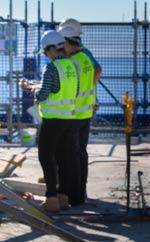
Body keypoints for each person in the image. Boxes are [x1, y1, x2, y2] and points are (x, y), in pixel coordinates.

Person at [21, 30, 80, 212]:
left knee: (46, 157)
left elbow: (44, 93)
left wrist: (31, 90)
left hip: (52, 120)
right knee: (64, 159)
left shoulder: (51, 68)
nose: (46, 56)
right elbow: (71, 91)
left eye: (46, 52)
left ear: (53, 49)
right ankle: (63, 197)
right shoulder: (71, 66)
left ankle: (51, 198)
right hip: (68, 118)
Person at [58, 25, 100, 206]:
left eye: (61, 45)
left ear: (66, 42)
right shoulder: (84, 58)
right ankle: (80, 193)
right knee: (81, 154)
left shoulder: (71, 63)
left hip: (73, 115)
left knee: (70, 155)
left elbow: (65, 87)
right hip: (85, 113)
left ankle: (73, 196)